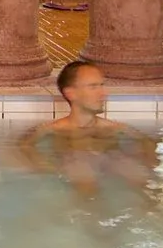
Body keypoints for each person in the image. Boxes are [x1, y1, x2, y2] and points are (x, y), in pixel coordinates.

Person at [20, 60, 148, 192]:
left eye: (101, 85)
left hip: (111, 162)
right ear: (71, 93)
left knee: (135, 173)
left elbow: (147, 144)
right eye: (93, 87)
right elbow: (24, 147)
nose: (103, 93)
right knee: (81, 169)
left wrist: (145, 157)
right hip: (77, 170)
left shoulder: (117, 128)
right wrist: (46, 166)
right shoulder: (50, 130)